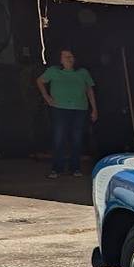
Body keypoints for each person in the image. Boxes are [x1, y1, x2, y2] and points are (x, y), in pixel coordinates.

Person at [36, 48, 97, 178]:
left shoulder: (82, 72)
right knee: (59, 138)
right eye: (65, 57)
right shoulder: (54, 71)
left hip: (79, 108)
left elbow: (89, 90)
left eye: (71, 56)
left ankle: (75, 167)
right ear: (60, 60)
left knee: (77, 139)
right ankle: (57, 168)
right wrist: (46, 97)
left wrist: (94, 109)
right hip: (59, 108)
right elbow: (40, 81)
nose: (69, 59)